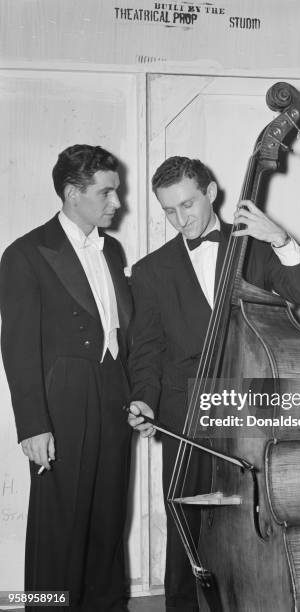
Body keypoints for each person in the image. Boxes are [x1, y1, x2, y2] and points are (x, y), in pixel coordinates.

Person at [128, 156, 300, 611]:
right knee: (187, 530)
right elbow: (147, 349)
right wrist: (143, 399)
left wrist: (280, 238)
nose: (181, 219)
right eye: (169, 211)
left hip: (249, 410)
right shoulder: (151, 271)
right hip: (184, 412)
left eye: (188, 204)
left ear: (212, 192)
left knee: (253, 517)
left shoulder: (253, 248)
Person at [0, 145, 133, 611]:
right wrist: (33, 425)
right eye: (107, 192)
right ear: (73, 193)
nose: (118, 202)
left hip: (113, 396)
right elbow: (17, 349)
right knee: (59, 525)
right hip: (62, 404)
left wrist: (135, 396)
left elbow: (121, 330)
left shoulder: (112, 250)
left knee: (108, 518)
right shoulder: (26, 254)